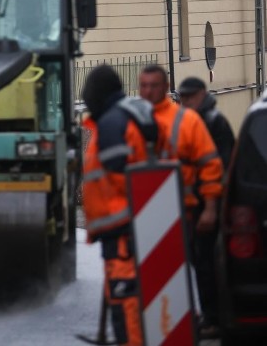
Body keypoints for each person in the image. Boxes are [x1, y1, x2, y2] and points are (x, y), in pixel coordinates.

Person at [139, 64, 224, 339]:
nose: (148, 91)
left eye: (154, 85)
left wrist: (210, 207)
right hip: (153, 216)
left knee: (201, 267)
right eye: (144, 86)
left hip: (188, 210)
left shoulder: (188, 121)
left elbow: (211, 166)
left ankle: (200, 319)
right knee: (163, 272)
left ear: (165, 88)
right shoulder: (134, 123)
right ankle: (169, 322)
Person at [83, 65, 157, 346]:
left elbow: (122, 174)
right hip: (123, 227)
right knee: (123, 294)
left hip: (123, 229)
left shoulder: (113, 123)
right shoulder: (125, 115)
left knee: (126, 300)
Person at [176, 76, 235, 337]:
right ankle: (209, 315)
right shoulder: (196, 122)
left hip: (208, 205)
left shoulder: (212, 122)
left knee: (206, 263)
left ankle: (213, 319)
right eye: (182, 98)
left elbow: (221, 165)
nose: (185, 102)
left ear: (202, 94)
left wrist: (212, 205)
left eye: (189, 97)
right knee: (200, 262)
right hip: (195, 206)